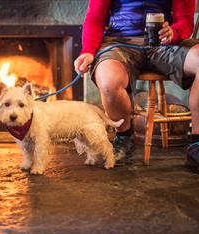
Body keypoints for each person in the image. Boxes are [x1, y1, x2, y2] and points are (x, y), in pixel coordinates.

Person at [74, 0, 199, 167]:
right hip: (119, 42)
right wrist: (88, 51)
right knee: (109, 82)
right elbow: (95, 18)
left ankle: (196, 145)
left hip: (164, 43)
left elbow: (185, 21)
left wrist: (174, 33)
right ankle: (124, 137)